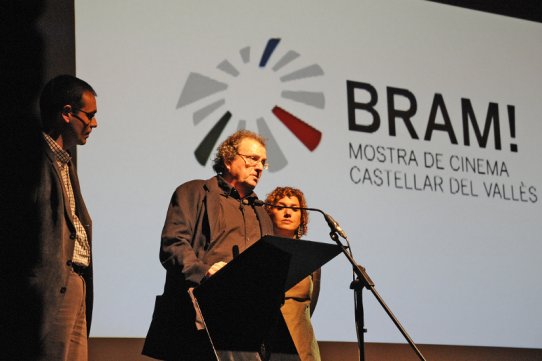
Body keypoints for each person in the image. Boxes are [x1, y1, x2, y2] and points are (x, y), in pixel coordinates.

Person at [143, 130, 274, 361]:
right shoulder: (193, 192)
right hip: (199, 317)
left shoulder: (262, 212)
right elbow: (173, 244)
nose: (260, 167)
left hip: (247, 325)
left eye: (263, 162)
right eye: (253, 159)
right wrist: (205, 272)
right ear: (228, 158)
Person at [0, 75, 98, 361]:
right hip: (52, 284)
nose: (94, 124)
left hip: (75, 281)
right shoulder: (31, 158)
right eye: (89, 116)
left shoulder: (65, 161)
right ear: (67, 113)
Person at [265, 187, 322, 361]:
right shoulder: (261, 251)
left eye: (294, 209)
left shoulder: (310, 256)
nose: (288, 213)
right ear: (269, 212)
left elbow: (310, 306)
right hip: (268, 344)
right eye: (281, 207)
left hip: (302, 343)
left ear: (302, 217)